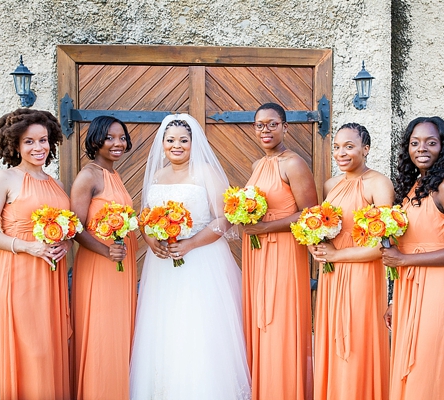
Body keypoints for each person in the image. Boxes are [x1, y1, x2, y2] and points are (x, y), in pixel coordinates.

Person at [130, 114, 251, 399]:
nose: (177, 145)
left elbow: (224, 220)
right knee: (164, 325)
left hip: (202, 260)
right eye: (170, 140)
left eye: (183, 140)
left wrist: (191, 244)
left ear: (193, 144)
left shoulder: (205, 172)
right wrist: (151, 241)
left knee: (198, 325)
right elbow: (145, 218)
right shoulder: (158, 176)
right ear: (162, 144)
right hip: (162, 265)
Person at [0, 109, 72, 400]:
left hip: (51, 274)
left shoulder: (54, 182)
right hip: (19, 274)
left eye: (43, 140)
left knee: (53, 345)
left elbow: (65, 228)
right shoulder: (4, 179)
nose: (38, 148)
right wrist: (27, 246)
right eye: (29, 142)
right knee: (33, 348)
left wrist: (65, 244)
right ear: (15, 144)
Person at [382, 116, 444, 399]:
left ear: (443, 147)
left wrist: (404, 261)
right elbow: (407, 245)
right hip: (409, 287)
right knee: (410, 362)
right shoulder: (412, 188)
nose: (421, 148)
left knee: (430, 361)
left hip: (441, 287)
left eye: (430, 142)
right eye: (415, 143)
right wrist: (393, 300)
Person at [309, 123, 393, 399]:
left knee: (356, 339)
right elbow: (325, 226)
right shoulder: (331, 185)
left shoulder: (379, 184)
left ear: (365, 149)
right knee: (332, 337)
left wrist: (336, 255)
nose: (340, 153)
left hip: (362, 274)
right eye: (336, 147)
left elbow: (384, 247)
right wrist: (315, 244)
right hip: (332, 275)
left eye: (349, 146)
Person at [242, 103, 316, 400]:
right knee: (260, 318)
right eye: (260, 125)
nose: (266, 130)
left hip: (284, 251)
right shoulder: (256, 166)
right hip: (257, 254)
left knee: (279, 319)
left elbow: (310, 213)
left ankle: (284, 389)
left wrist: (264, 229)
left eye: (273, 124)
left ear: (285, 127)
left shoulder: (293, 163)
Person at [70, 116, 137, 399]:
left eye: (121, 137)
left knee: (119, 330)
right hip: (100, 263)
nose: (117, 143)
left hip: (121, 262)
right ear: (96, 140)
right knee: (102, 330)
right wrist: (105, 250)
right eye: (110, 137)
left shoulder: (114, 174)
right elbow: (76, 227)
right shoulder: (89, 176)